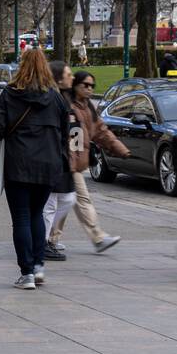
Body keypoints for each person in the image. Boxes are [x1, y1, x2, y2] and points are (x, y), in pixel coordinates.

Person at [0, 48, 71, 290]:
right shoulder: (56, 98)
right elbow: (64, 132)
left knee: (21, 217)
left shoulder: (9, 94)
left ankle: (26, 273)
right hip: (48, 165)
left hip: (18, 164)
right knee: (37, 214)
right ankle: (38, 266)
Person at [48, 70, 128, 257]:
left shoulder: (88, 108)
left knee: (65, 201)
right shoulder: (66, 104)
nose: (90, 89)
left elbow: (101, 131)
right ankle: (98, 238)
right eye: (86, 85)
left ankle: (50, 239)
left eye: (92, 86)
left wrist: (120, 149)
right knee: (79, 200)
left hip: (74, 163)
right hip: (67, 161)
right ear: (75, 85)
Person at [40, 61, 80, 260]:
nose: (72, 78)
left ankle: (45, 238)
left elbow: (75, 128)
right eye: (68, 74)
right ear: (58, 78)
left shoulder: (65, 97)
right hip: (56, 155)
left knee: (66, 198)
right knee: (52, 202)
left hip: (63, 156)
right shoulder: (55, 98)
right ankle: (44, 240)